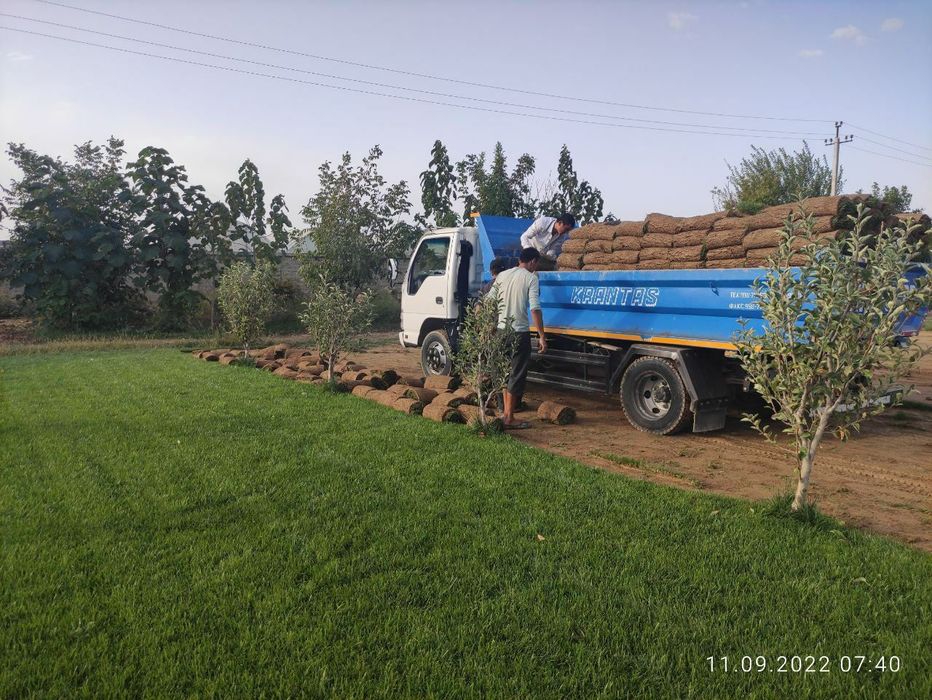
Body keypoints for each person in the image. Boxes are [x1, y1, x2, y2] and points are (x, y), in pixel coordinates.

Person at [491, 247, 547, 429]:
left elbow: (489, 301)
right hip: (519, 333)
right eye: (536, 264)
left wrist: (487, 327)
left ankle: (505, 414)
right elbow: (535, 308)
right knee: (516, 374)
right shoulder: (531, 278)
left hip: (501, 331)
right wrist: (541, 335)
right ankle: (509, 417)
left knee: (504, 373)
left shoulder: (502, 276)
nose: (535, 267)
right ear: (532, 262)